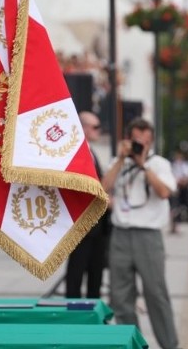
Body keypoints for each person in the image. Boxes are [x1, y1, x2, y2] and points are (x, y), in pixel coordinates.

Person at [101, 117, 180, 349]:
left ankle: (170, 345)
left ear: (151, 142)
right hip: (121, 234)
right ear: (128, 139)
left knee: (156, 294)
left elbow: (165, 192)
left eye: (144, 142)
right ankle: (133, 344)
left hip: (149, 235)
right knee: (120, 296)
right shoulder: (118, 162)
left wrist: (143, 163)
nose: (139, 146)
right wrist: (121, 159)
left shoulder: (159, 164)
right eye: (136, 141)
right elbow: (103, 188)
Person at [65, 111, 110, 299]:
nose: (99, 131)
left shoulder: (91, 151)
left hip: (98, 224)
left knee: (96, 273)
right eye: (95, 127)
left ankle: (94, 316)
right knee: (76, 274)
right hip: (82, 224)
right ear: (83, 128)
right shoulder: (75, 151)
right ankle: (72, 319)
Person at [170, 150, 188, 232]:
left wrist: (184, 181)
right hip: (177, 186)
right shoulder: (173, 166)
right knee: (176, 205)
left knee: (187, 203)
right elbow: (172, 175)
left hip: (185, 186)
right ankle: (176, 221)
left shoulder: (186, 165)